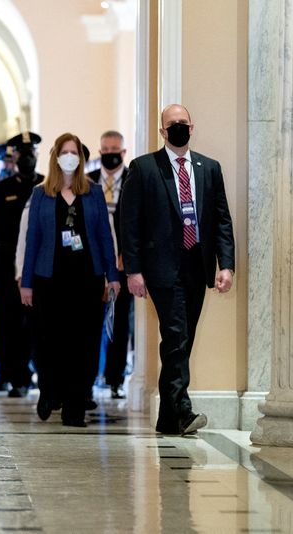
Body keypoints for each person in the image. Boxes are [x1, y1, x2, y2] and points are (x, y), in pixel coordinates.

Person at [120, 104, 235, 435]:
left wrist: (225, 264)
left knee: (182, 340)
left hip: (196, 265)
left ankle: (168, 418)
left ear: (192, 127)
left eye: (183, 123)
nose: (178, 128)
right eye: (172, 124)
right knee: (175, 335)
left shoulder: (209, 169)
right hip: (161, 268)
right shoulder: (144, 168)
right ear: (162, 131)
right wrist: (134, 270)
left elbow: (222, 219)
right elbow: (130, 223)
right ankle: (183, 410)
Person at [19, 132, 119, 427]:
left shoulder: (94, 192)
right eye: (65, 151)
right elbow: (32, 239)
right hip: (48, 278)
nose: (70, 156)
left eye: (74, 151)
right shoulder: (41, 193)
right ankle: (49, 390)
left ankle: (75, 405)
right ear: (55, 156)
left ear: (81, 157)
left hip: (86, 278)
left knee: (85, 344)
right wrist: (26, 282)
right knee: (50, 342)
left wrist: (112, 276)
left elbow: (104, 236)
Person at [0, 132, 43, 397]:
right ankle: (16, 377)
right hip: (7, 267)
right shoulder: (2, 190)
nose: (27, 157)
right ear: (15, 157)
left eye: (31, 152)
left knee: (38, 325)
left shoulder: (45, 185)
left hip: (39, 267)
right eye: (22, 153)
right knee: (8, 325)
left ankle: (41, 373)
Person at [89, 130, 133, 399]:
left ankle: (115, 377)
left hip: (122, 263)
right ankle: (92, 375)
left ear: (123, 152)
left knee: (119, 321)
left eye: (114, 149)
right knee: (93, 321)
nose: (109, 154)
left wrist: (127, 253)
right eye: (105, 149)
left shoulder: (133, 180)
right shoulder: (89, 181)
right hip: (93, 263)